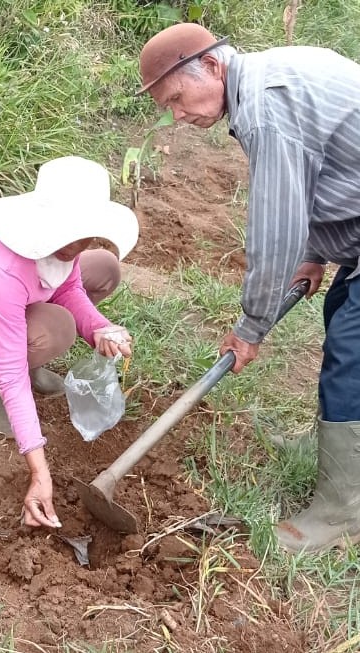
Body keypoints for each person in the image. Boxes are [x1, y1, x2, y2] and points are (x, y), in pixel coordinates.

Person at [137, 23, 360, 553]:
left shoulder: (266, 109)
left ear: (212, 66)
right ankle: (340, 444)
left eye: (177, 98)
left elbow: (273, 232)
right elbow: (322, 172)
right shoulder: (266, 77)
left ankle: (344, 509)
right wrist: (316, 253)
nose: (178, 116)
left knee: (351, 350)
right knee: (342, 308)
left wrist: (251, 328)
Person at [0, 156, 139, 530]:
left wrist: (100, 327)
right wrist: (40, 472)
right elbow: (9, 367)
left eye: (87, 233)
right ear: (49, 219)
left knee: (104, 268)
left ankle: (29, 350)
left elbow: (68, 286)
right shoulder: (4, 260)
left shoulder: (63, 238)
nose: (80, 243)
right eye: (74, 234)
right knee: (55, 327)